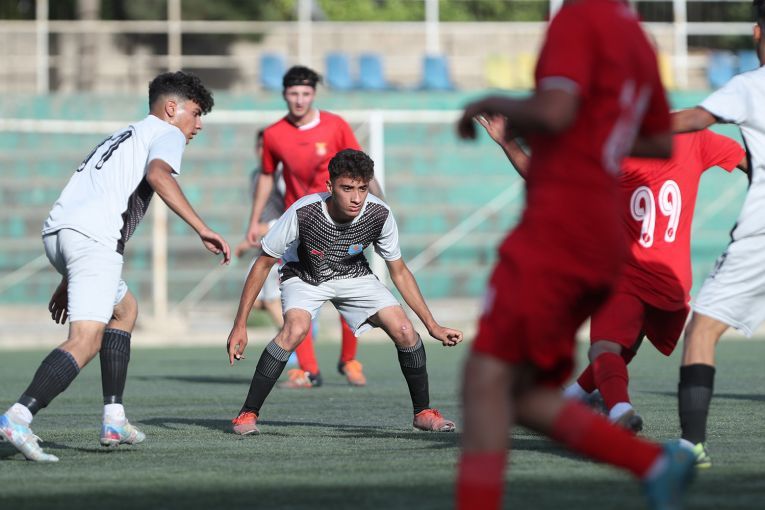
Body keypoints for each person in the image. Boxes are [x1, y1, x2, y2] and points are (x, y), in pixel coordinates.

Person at [453, 1, 697, 509]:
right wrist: (595, 135)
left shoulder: (578, 17)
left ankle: (650, 463)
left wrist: (491, 101)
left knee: (485, 380)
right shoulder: (637, 38)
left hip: (559, 228)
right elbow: (657, 141)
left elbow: (555, 110)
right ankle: (654, 464)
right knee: (516, 390)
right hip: (601, 235)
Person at [0, 71, 230, 463]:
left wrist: (69, 274)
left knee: (125, 310)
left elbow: (99, 199)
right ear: (171, 108)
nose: (198, 124)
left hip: (61, 234)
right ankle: (18, 417)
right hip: (91, 242)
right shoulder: (167, 133)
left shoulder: (124, 134)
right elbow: (158, 175)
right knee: (85, 340)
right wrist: (202, 227)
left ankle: (114, 418)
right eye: (195, 113)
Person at [477, 115, 746, 433]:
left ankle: (620, 410)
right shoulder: (695, 137)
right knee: (626, 344)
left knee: (605, 348)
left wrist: (508, 142)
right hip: (673, 281)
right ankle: (575, 397)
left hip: (626, 273)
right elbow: (751, 163)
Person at [226, 149, 462, 435]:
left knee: (404, 330)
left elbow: (399, 271)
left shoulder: (379, 213)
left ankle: (423, 412)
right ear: (330, 186)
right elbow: (262, 264)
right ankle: (247, 414)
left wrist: (432, 325)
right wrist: (240, 325)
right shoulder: (304, 212)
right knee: (295, 330)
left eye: (362, 188)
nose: (356, 198)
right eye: (347, 188)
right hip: (305, 274)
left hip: (353, 274)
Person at [670, 0, 765, 469]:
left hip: (761, 236)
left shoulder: (750, 85)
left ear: (756, 32)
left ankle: (691, 445)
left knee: (703, 329)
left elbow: (693, 120)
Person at [247, 66, 384, 389]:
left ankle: (349, 360)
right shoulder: (274, 134)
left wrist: (381, 205)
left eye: (305, 93)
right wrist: (254, 220)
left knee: (351, 288)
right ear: (284, 94)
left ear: (313, 94)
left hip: (341, 221)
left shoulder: (335, 125)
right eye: (293, 93)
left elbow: (361, 168)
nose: (299, 100)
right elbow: (266, 176)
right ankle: (308, 370)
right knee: (297, 300)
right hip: (300, 224)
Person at [234, 129, 286, 329]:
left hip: (279, 245)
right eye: (259, 146)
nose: (262, 150)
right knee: (254, 301)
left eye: (267, 147)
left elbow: (294, 209)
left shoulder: (281, 175)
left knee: (270, 300)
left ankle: (293, 340)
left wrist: (270, 226)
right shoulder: (256, 176)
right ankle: (296, 324)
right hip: (263, 244)